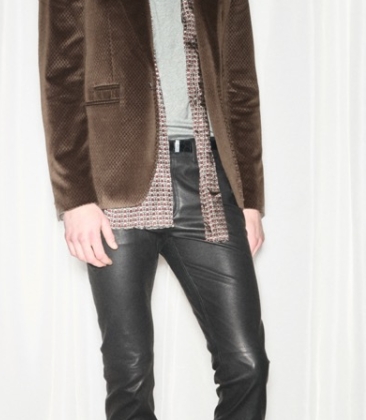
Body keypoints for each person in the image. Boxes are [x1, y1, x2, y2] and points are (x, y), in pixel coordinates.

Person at [38, 0, 269, 418]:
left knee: (247, 364)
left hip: (208, 182)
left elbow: (240, 83)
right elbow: (61, 78)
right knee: (130, 374)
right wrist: (75, 198)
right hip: (115, 184)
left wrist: (249, 198)